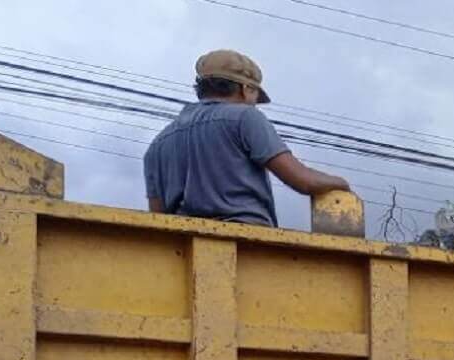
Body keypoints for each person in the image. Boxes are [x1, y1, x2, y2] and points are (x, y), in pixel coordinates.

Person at [143, 49, 349, 227]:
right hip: (246, 244)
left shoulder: (157, 144)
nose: (255, 104)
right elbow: (303, 181)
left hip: (178, 250)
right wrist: (341, 183)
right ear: (246, 89)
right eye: (255, 97)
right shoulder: (245, 117)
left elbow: (158, 218)